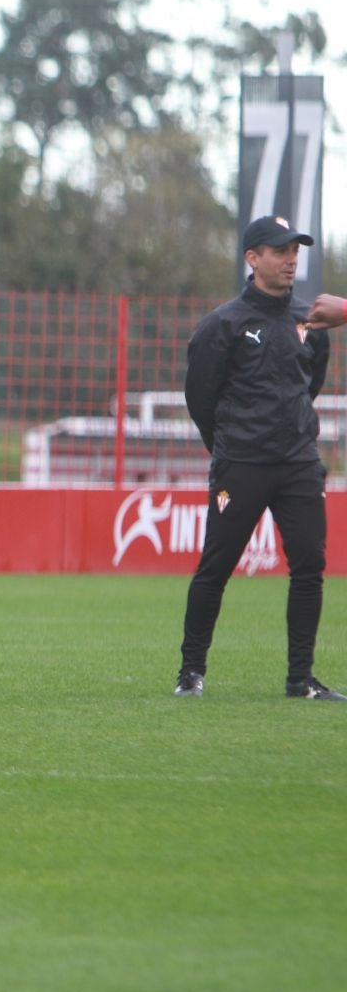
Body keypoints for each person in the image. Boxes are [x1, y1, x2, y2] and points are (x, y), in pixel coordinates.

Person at [175, 216, 341, 701]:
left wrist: (289, 433)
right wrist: (230, 449)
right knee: (217, 565)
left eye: (295, 250)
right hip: (240, 467)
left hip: (297, 465)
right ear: (253, 258)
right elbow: (200, 398)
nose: (291, 259)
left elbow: (310, 385)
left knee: (309, 566)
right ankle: (191, 672)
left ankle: (300, 679)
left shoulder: (311, 322)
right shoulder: (222, 324)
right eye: (280, 250)